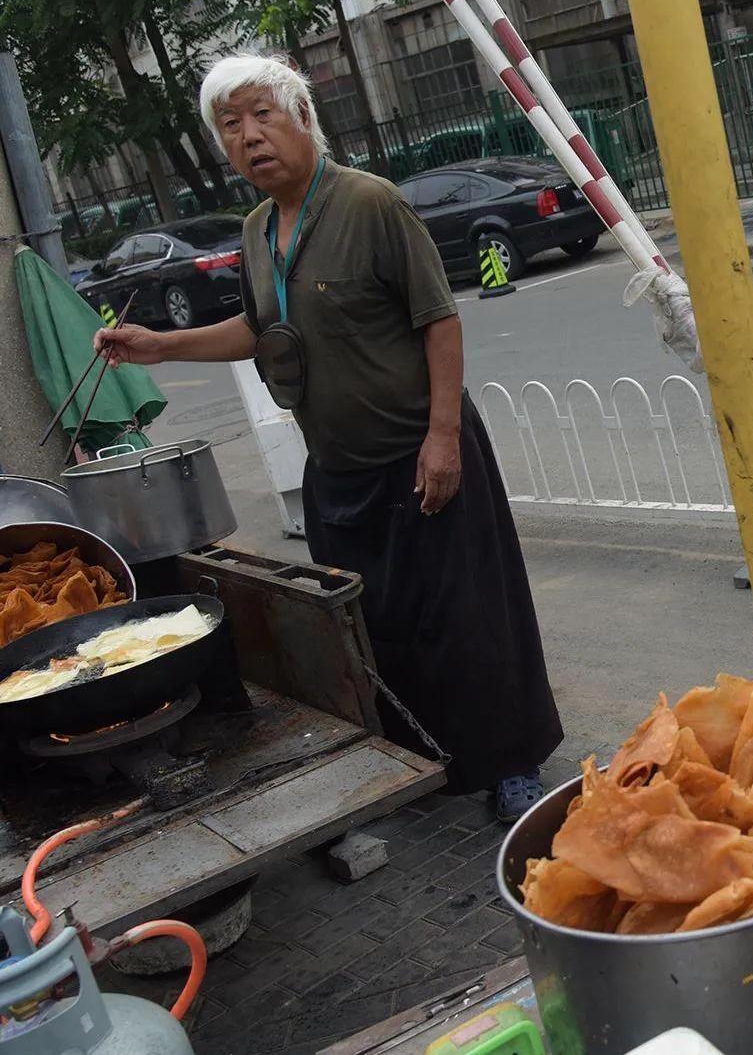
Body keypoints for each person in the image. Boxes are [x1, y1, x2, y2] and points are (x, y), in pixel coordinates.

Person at [97, 54, 564, 823]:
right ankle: (430, 759)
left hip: (423, 450)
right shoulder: (256, 230)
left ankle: (512, 763)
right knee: (377, 627)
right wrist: (160, 346)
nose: (249, 137)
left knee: (471, 622)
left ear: (302, 117)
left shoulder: (369, 203)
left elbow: (438, 320)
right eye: (230, 125)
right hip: (340, 468)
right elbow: (258, 329)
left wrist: (442, 436)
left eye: (262, 115)